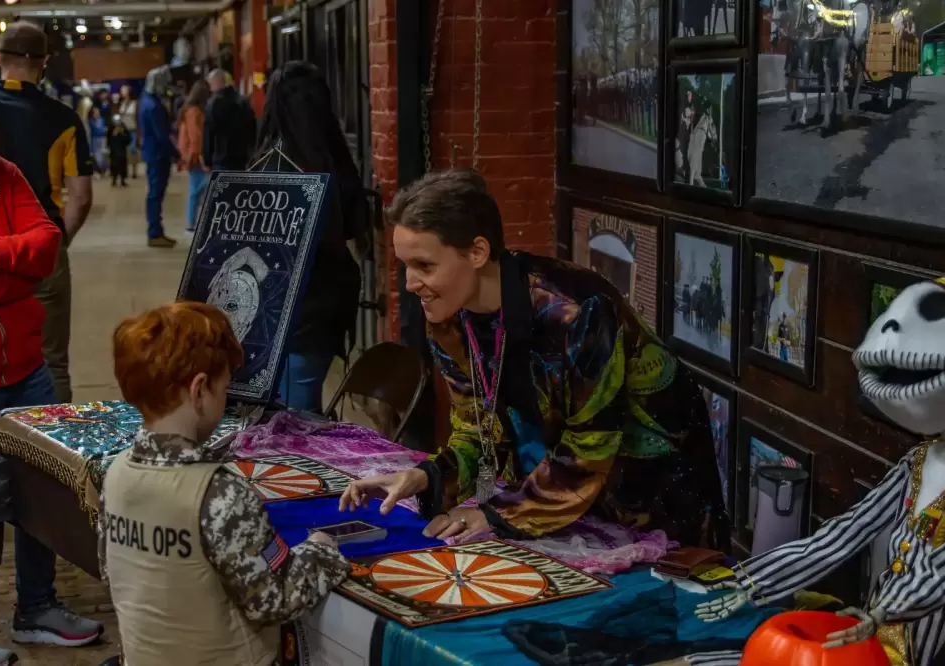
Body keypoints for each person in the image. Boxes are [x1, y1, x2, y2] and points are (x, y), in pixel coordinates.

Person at [340, 170, 729, 548]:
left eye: (424, 266)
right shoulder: (448, 321)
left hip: (658, 503)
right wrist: (423, 478)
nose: (409, 284)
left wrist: (497, 516)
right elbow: (479, 430)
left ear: (477, 252)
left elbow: (590, 446)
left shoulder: (577, 312)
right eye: (405, 265)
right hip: (564, 505)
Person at [102, 302, 349, 665]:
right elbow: (274, 600)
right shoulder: (219, 492)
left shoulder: (116, 472)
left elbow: (115, 572)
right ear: (200, 389)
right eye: (225, 387)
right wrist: (322, 551)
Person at [0, 69, 103, 666]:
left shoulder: (3, 176)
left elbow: (46, 244)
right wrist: (12, 281)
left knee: (41, 496)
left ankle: (36, 608)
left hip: (26, 370)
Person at [0, 20, 95, 404]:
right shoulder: (64, 119)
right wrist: (58, 241)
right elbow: (81, 196)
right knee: (51, 362)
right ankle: (50, 455)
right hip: (40, 247)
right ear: (44, 62)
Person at [251, 62, 366, 412]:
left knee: (289, 423)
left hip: (278, 310)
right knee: (302, 406)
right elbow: (352, 226)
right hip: (324, 306)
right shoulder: (335, 159)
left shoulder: (267, 163)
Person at [138, 66, 178, 248]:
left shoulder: (146, 101)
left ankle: (156, 230)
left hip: (153, 152)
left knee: (155, 192)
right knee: (156, 193)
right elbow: (162, 135)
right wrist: (175, 153)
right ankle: (155, 232)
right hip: (158, 154)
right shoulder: (153, 105)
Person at [203, 69, 256, 172]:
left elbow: (209, 133)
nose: (210, 88)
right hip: (241, 156)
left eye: (210, 84)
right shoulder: (242, 102)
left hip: (221, 156)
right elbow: (252, 128)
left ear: (215, 83)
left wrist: (207, 159)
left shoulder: (213, 104)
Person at [177, 80, 209, 233]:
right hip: (195, 157)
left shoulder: (187, 110)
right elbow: (196, 136)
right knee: (197, 190)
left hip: (191, 155)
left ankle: (192, 222)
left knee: (195, 190)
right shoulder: (195, 111)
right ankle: (192, 223)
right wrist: (199, 155)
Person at [118, 85, 138, 179]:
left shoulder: (135, 103)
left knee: (133, 150)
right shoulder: (121, 103)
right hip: (124, 130)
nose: (122, 92)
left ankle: (134, 171)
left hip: (133, 128)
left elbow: (137, 117)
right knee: (124, 151)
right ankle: (124, 171)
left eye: (124, 90)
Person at [108, 114, 130, 187]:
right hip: (114, 151)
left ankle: (123, 180)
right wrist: (114, 134)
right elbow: (108, 139)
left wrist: (122, 134)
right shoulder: (111, 127)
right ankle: (114, 179)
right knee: (114, 165)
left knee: (122, 165)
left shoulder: (123, 127)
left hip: (122, 150)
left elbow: (128, 139)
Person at [88, 106, 107, 175]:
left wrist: (102, 132)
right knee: (94, 155)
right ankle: (96, 169)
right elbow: (97, 131)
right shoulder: (91, 121)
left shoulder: (102, 120)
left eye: (98, 112)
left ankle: (103, 169)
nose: (97, 113)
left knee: (101, 155)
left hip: (101, 139)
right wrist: (102, 131)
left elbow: (102, 131)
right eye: (95, 112)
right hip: (94, 140)